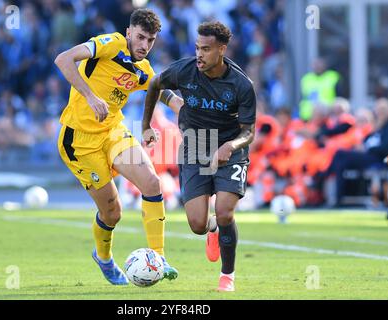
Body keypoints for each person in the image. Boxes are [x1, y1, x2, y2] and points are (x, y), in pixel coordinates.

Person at [54, 8, 182, 285]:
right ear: (128, 33)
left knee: (151, 182)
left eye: (150, 40)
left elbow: (159, 90)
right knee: (113, 212)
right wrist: (89, 96)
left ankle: (159, 259)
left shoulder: (142, 69)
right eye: (140, 37)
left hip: (112, 131)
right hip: (79, 141)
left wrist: (180, 107)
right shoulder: (109, 44)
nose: (144, 45)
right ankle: (103, 257)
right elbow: (63, 59)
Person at [142, 21, 256, 292]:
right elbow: (155, 84)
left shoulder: (241, 84)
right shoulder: (184, 71)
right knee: (196, 224)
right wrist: (146, 125)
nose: (199, 54)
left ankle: (227, 276)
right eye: (197, 48)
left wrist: (231, 146)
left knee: (226, 211)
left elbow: (249, 131)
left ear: (221, 50)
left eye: (206, 49)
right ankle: (213, 228)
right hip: (194, 148)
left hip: (229, 151)